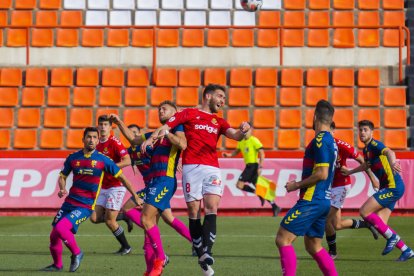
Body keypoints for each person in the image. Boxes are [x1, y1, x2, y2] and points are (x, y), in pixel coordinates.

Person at [141, 84, 251, 276]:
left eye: (224, 98)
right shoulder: (189, 113)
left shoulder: (219, 121)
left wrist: (244, 130)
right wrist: (150, 140)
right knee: (193, 211)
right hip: (192, 167)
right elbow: (166, 126)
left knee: (212, 207)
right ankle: (201, 254)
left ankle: (206, 251)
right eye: (220, 96)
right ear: (208, 96)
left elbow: (235, 135)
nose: (222, 101)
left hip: (212, 167)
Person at [42, 127, 141, 272]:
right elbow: (62, 176)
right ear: (83, 139)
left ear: (97, 140)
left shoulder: (103, 160)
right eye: (89, 137)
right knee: (54, 236)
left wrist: (136, 196)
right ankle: (57, 265)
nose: (92, 140)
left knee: (61, 228)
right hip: (69, 203)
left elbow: (123, 178)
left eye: (95, 137)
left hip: (85, 205)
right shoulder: (73, 157)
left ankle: (77, 253)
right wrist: (62, 188)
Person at [111, 101, 188, 275]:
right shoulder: (155, 134)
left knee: (147, 221)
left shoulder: (178, 128)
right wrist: (119, 122)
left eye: (165, 109)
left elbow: (182, 144)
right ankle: (151, 270)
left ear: (175, 113)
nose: (160, 111)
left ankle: (162, 257)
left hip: (164, 181)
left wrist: (167, 133)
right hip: (153, 183)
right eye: (159, 109)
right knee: (149, 228)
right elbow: (133, 139)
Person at [275, 100, 338, 276]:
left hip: (312, 199)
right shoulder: (331, 141)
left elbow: (322, 173)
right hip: (323, 200)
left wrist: (296, 185)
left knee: (283, 239)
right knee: (313, 246)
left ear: (315, 116)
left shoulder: (320, 139)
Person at [341, 120, 414, 261]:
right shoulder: (367, 150)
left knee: (364, 211)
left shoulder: (375, 145)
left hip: (393, 187)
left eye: (365, 130)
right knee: (380, 224)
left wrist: (393, 162)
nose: (362, 132)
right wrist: (350, 172)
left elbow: (389, 152)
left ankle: (392, 237)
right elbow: (366, 166)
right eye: (360, 130)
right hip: (388, 187)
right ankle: (406, 250)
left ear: (371, 132)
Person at [325, 122, 379, 259]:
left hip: (341, 185)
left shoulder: (342, 145)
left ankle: (333, 253)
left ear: (333, 131)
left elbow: (362, 161)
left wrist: (372, 179)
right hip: (329, 187)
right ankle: (366, 224)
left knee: (324, 219)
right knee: (336, 224)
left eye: (328, 131)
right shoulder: (320, 145)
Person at [89, 115, 133, 255]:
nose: (103, 127)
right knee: (94, 218)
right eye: (100, 124)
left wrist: (110, 167)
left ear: (110, 127)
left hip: (116, 185)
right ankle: (123, 216)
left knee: (109, 221)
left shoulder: (114, 142)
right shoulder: (95, 143)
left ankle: (126, 247)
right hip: (103, 186)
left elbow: (127, 161)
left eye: (105, 124)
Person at [222, 127, 281, 216]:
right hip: (249, 166)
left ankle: (260, 195)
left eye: (248, 130)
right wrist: (229, 155)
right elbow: (236, 151)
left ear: (251, 131)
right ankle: (275, 206)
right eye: (244, 130)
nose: (246, 132)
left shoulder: (254, 140)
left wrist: (260, 166)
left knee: (239, 185)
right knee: (258, 187)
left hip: (253, 166)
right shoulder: (241, 141)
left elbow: (261, 153)